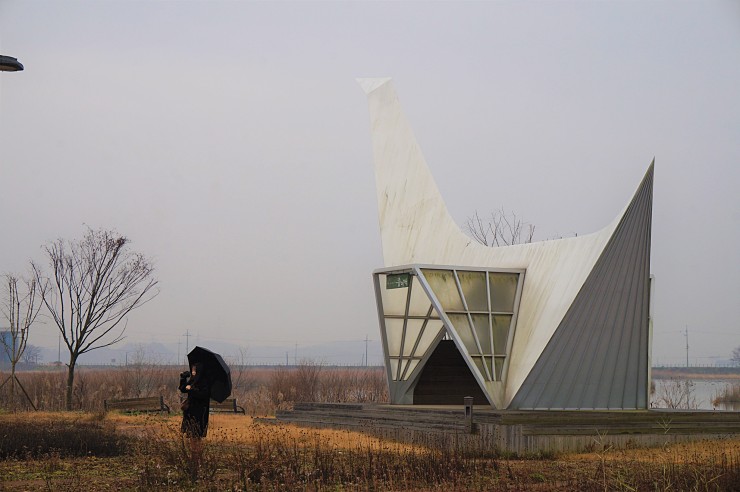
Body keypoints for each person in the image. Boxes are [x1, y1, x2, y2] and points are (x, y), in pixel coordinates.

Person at [179, 362, 211, 438]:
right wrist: (183, 378)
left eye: (195, 370)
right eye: (192, 370)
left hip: (199, 412)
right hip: (190, 411)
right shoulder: (193, 380)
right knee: (189, 434)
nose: (193, 372)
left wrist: (191, 390)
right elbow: (183, 389)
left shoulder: (204, 382)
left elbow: (203, 395)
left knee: (196, 434)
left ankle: (196, 446)